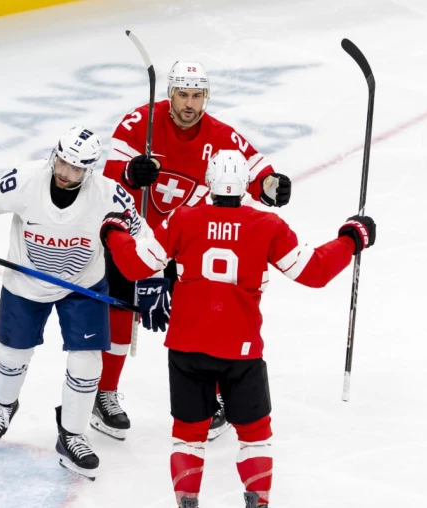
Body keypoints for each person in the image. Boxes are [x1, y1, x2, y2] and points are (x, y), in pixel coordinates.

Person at [99, 149, 376, 508]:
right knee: (255, 435)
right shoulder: (267, 226)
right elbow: (315, 271)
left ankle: (187, 500)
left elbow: (136, 265)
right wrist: (353, 238)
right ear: (246, 185)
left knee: (187, 436)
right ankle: (258, 500)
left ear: (209, 184)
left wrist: (113, 232)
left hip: (187, 346)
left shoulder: (183, 219)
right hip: (241, 350)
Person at [0, 126, 161, 476]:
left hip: (83, 286)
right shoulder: (25, 180)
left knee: (87, 364)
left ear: (89, 170)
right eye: (61, 162)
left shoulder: (109, 196)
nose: (64, 172)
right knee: (12, 355)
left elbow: (141, 236)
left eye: (74, 168)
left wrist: (153, 279)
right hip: (25, 282)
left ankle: (72, 434)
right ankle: (2, 406)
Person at [96, 60, 295, 440]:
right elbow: (109, 181)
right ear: (170, 94)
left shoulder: (220, 134)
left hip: (183, 242)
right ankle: (104, 393)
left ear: (207, 96)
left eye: (197, 95)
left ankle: (214, 397)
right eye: (182, 95)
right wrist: (129, 174)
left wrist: (272, 187)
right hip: (136, 234)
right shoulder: (141, 123)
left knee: (203, 320)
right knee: (120, 313)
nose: (189, 104)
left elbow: (255, 173)